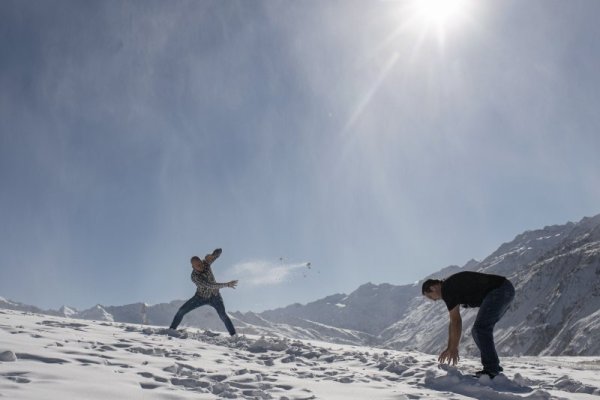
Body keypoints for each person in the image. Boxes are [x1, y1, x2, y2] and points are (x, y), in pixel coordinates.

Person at [421, 271, 515, 378]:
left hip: (500, 290)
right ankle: (493, 367)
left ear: (433, 288)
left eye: (430, 297)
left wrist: (454, 348)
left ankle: (492, 369)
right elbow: (453, 322)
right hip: (504, 290)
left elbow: (456, 321)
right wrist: (450, 347)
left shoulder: (447, 288)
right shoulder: (450, 286)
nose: (434, 300)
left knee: (480, 329)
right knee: (480, 330)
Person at [169, 248, 239, 336]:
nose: (201, 266)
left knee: (223, 315)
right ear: (193, 267)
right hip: (200, 298)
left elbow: (220, 251)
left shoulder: (206, 263)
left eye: (201, 263)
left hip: (215, 297)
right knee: (181, 311)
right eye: (197, 266)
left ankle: (233, 335)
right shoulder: (194, 277)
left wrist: (213, 254)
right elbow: (210, 285)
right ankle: (171, 330)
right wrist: (227, 285)